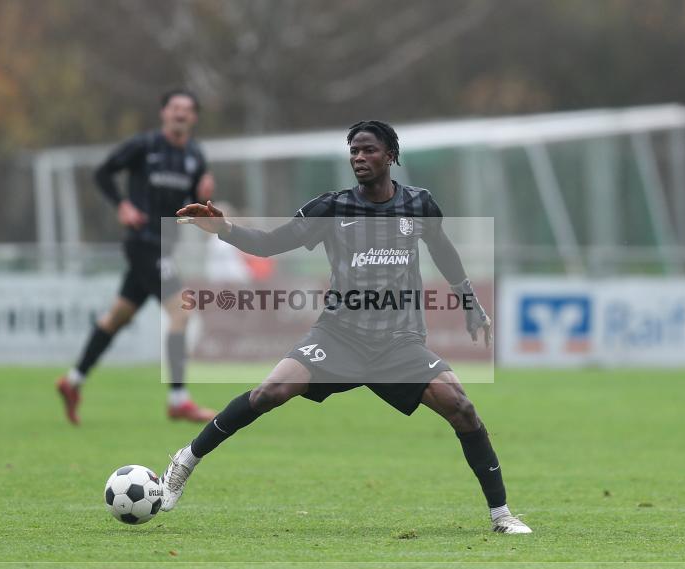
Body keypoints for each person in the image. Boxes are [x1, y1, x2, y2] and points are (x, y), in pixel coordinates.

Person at [162, 120, 532, 534]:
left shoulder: (419, 205)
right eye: (353, 150)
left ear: (390, 156)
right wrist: (223, 229)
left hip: (399, 343)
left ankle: (502, 516)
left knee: (462, 408)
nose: (359, 157)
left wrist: (469, 301)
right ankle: (185, 461)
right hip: (339, 336)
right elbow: (269, 244)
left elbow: (443, 249)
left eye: (369, 150)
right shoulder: (331, 208)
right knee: (271, 392)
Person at [56, 89, 217, 424]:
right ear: (163, 113)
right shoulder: (143, 146)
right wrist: (122, 205)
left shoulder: (195, 157)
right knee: (181, 312)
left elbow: (187, 208)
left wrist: (201, 199)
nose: (180, 114)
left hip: (164, 245)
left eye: (187, 110)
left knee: (118, 317)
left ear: (194, 118)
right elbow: (102, 173)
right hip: (143, 242)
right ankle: (178, 400)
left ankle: (72, 382)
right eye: (175, 108)